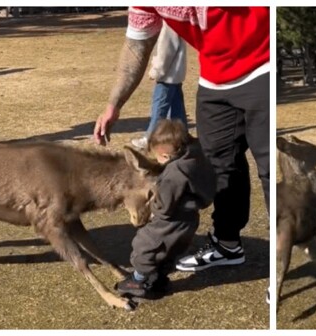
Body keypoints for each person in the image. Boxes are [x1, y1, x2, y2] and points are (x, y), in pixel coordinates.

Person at [93, 7, 270, 272]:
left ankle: (281, 257)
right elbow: (136, 46)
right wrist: (113, 105)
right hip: (215, 79)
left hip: (263, 63)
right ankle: (227, 244)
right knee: (220, 163)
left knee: (268, 167)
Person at [115, 119, 216, 298]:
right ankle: (159, 278)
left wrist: (152, 205)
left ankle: (137, 281)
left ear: (169, 154)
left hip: (170, 221)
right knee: (170, 250)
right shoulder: (196, 156)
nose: (159, 161)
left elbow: (164, 207)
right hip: (189, 219)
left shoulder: (174, 174)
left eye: (159, 156)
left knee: (145, 245)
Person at [131, 22, 188, 150]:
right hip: (176, 75)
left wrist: (156, 71)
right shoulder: (176, 23)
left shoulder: (169, 25)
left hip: (167, 76)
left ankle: (149, 139)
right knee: (177, 110)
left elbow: (165, 53)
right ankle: (183, 136)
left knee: (159, 109)